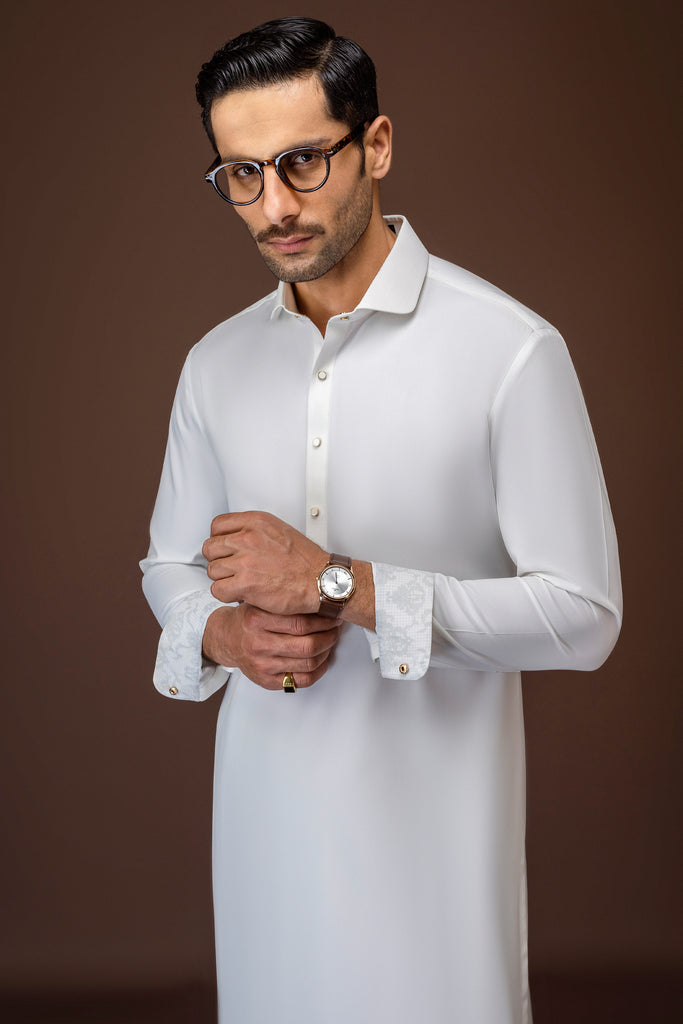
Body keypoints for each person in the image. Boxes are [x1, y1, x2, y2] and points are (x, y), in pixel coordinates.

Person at [140, 17, 622, 1024]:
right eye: (240, 175)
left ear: (378, 145)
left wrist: (338, 584)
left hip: (434, 859)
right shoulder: (214, 364)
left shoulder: (509, 351)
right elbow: (168, 565)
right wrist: (221, 632)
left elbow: (584, 616)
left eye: (302, 162)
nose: (274, 206)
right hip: (263, 841)